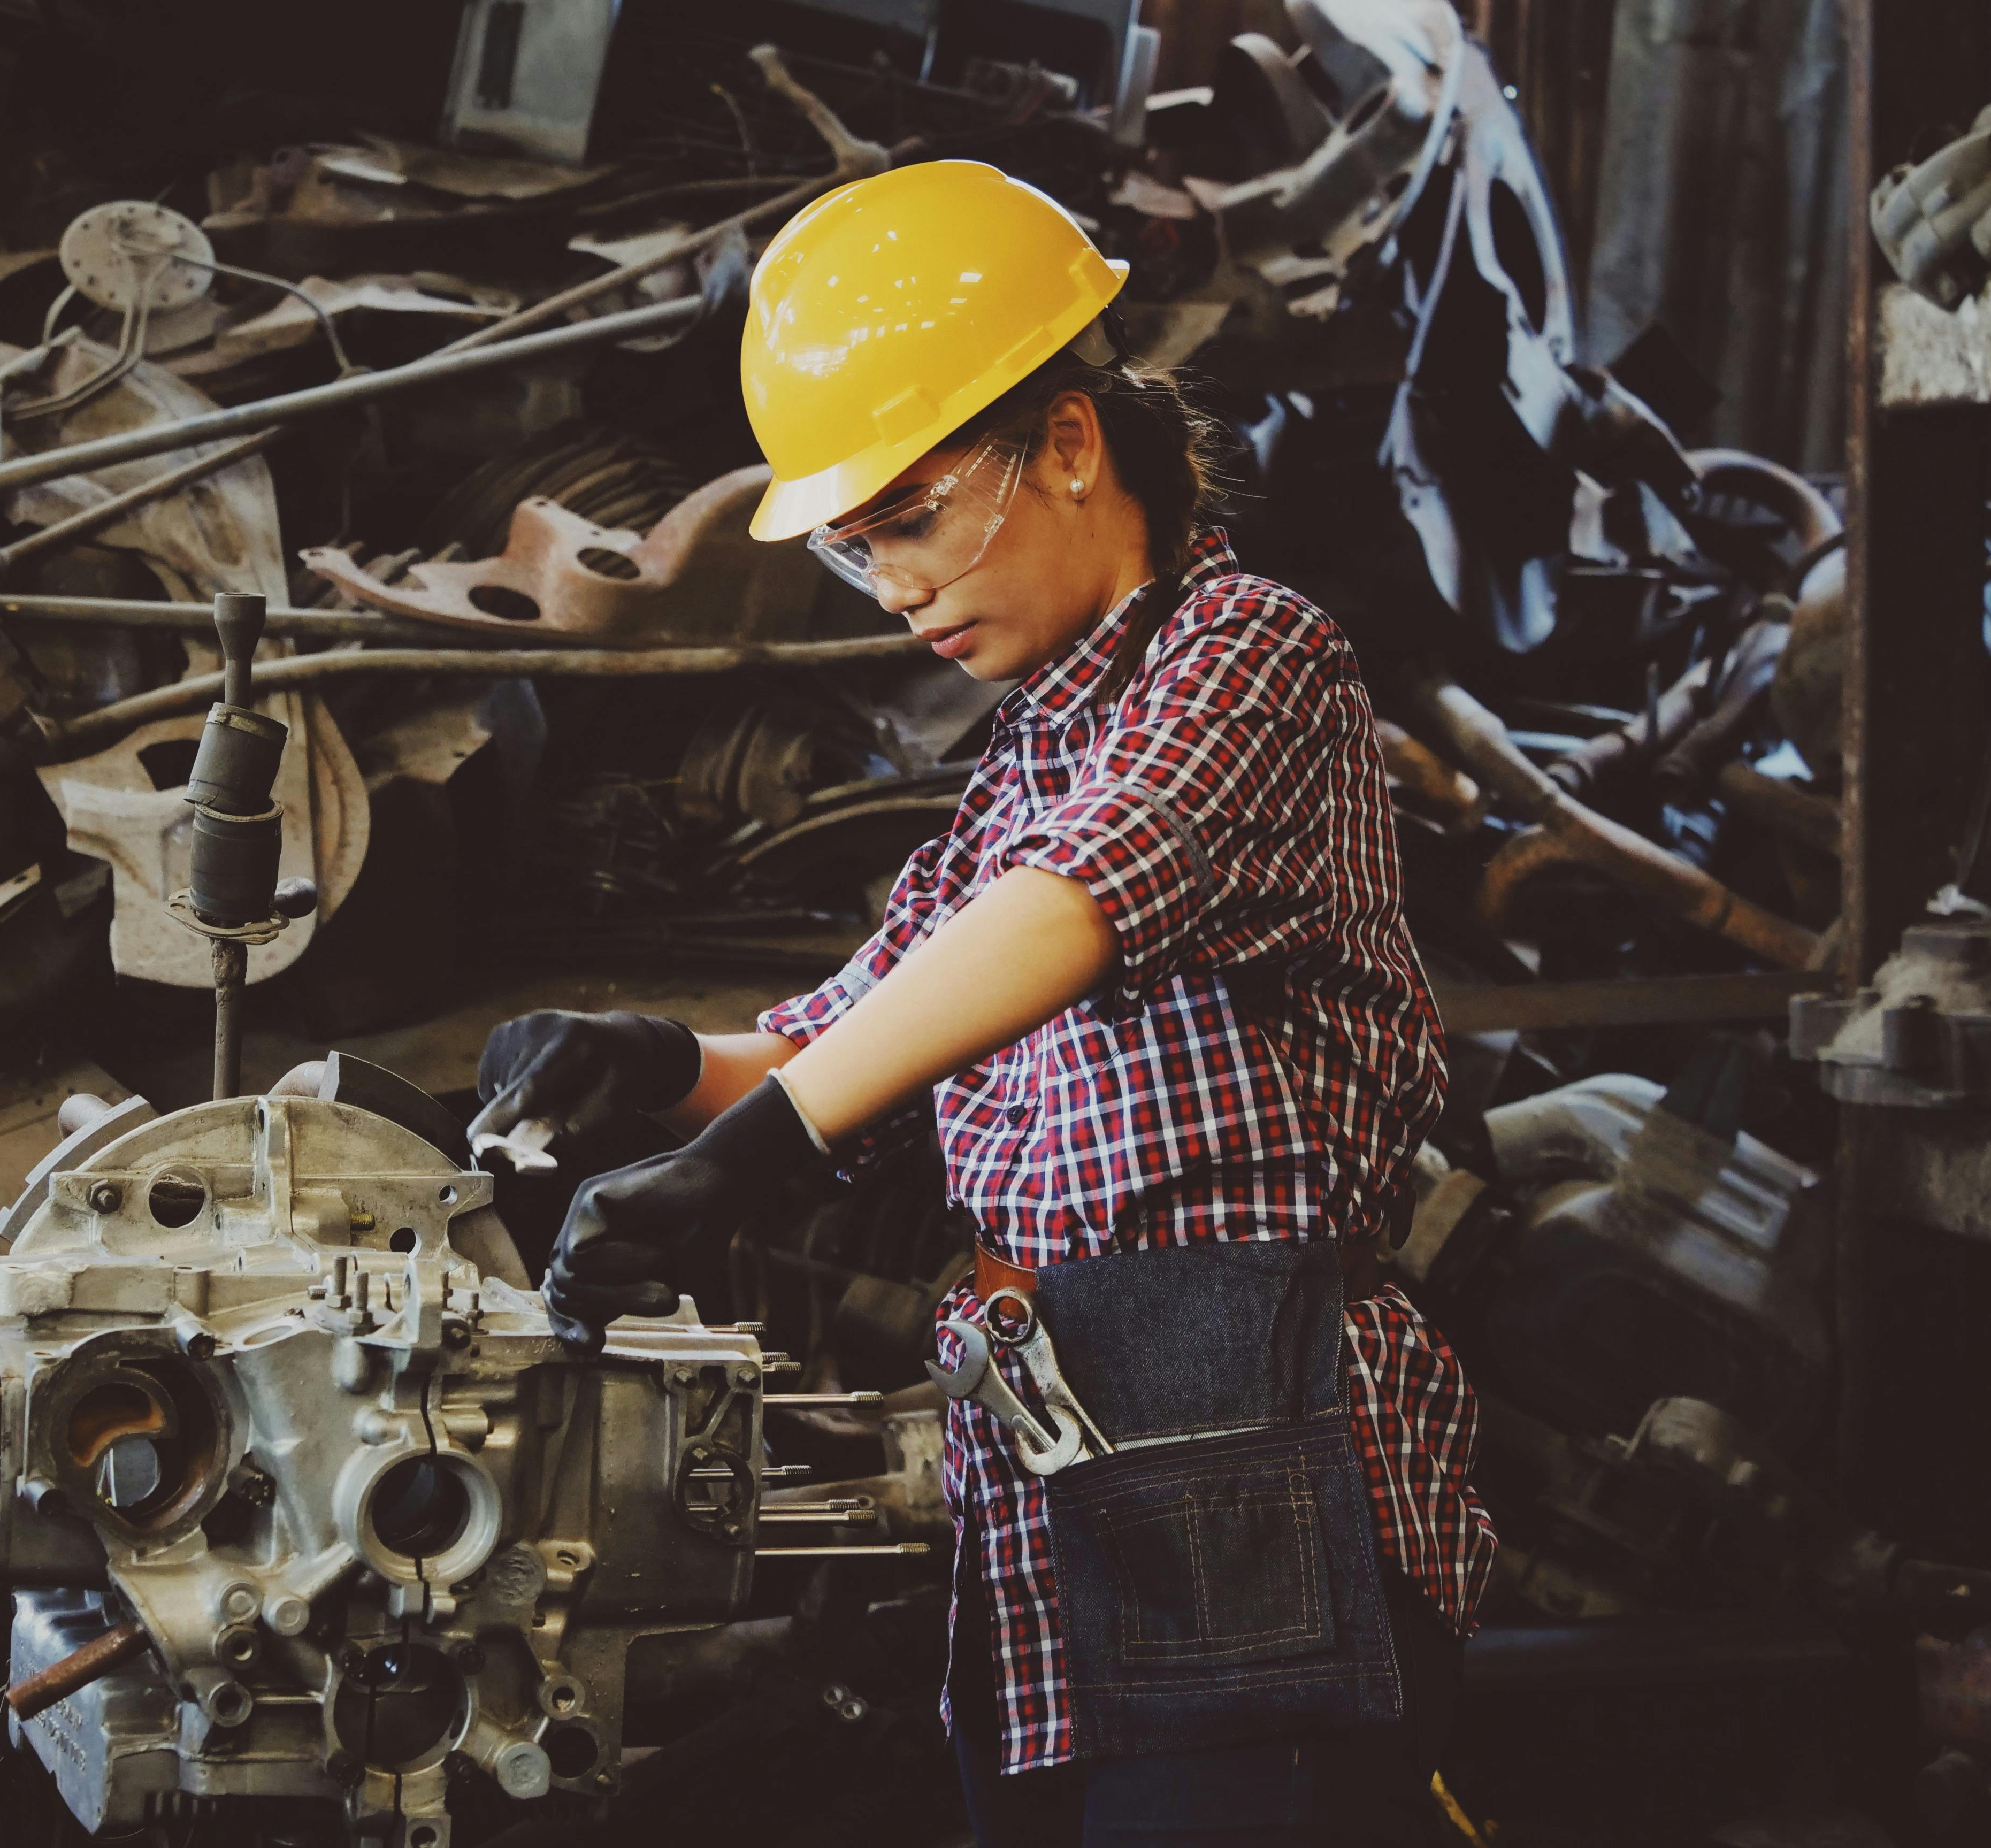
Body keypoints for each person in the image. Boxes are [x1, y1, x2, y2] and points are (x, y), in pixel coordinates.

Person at [469, 160, 1495, 1846]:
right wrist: (650, 1066)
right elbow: (847, 1033)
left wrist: (761, 1154)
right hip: (1054, 1468)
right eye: (861, 548)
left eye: (917, 518)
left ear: (1072, 444)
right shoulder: (1026, 761)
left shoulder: (1250, 656)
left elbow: (1074, 906)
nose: (895, 589)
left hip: (1251, 1452)